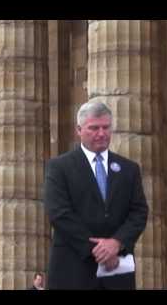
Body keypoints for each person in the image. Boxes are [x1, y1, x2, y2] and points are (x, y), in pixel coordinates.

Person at [44, 101, 148, 290]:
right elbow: (59, 213)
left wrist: (117, 243)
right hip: (73, 272)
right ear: (79, 130)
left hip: (117, 273)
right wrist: (99, 251)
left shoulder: (129, 169)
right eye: (94, 128)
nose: (101, 133)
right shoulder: (59, 167)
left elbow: (139, 212)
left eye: (106, 127)